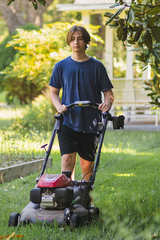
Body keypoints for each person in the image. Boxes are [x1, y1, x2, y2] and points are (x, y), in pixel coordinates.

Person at [49, 25, 114, 181]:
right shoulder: (61, 66)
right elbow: (53, 92)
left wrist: (107, 105)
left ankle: (86, 199)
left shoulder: (97, 66)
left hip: (90, 121)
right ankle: (67, 196)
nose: (76, 43)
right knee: (67, 160)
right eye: (72, 39)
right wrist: (59, 106)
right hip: (68, 121)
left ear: (86, 42)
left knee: (87, 166)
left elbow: (108, 94)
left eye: (79, 39)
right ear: (69, 43)